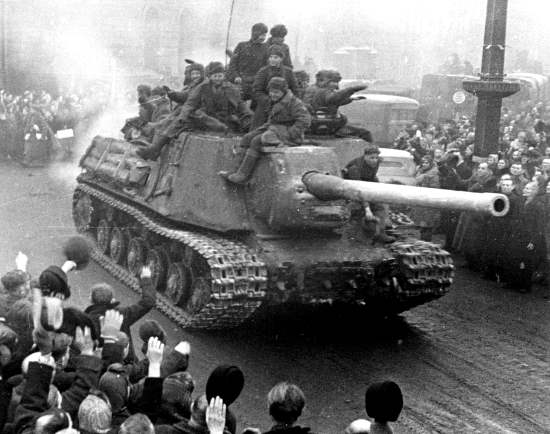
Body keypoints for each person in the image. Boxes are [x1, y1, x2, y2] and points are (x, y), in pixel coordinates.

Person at [138, 62, 252, 161]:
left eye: (220, 76)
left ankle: (155, 148)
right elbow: (190, 103)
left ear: (224, 76)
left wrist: (248, 116)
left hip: (224, 122)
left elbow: (241, 105)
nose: (218, 78)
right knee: (183, 120)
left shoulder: (230, 89)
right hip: (208, 119)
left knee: (195, 115)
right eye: (215, 76)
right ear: (210, 76)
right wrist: (183, 116)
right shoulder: (203, 87)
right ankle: (156, 148)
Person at [220, 77, 310, 184]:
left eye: (276, 92)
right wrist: (261, 129)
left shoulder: (294, 103)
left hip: (288, 134)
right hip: (275, 129)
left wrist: (291, 134)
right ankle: (234, 170)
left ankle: (243, 175)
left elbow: (305, 120)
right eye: (271, 92)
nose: (273, 94)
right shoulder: (275, 101)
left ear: (284, 91)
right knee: (247, 138)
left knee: (256, 141)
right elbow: (272, 120)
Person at [84, 266, 155, 362]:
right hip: (126, 361)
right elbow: (148, 302)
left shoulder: (86, 319)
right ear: (112, 300)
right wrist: (146, 279)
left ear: (91, 299)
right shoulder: (122, 314)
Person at [342, 143, 395, 243]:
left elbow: (372, 177)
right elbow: (358, 189)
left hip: (365, 186)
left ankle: (380, 233)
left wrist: (379, 190)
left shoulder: (377, 162)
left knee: (379, 206)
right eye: (371, 158)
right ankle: (354, 236)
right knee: (357, 209)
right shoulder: (355, 168)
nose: (374, 160)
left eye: (376, 157)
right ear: (365, 156)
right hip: (351, 190)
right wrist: (367, 209)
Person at [303, 70, 372, 143]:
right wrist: (351, 90)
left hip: (323, 125)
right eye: (334, 82)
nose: (336, 85)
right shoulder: (323, 91)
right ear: (325, 81)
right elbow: (333, 98)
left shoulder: (314, 89)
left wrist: (350, 99)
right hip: (328, 126)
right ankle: (371, 149)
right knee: (364, 133)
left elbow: (331, 102)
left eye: (337, 82)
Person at [251, 45, 298, 129]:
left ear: (281, 59)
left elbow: (295, 90)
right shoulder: (263, 71)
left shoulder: (288, 72)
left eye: (276, 57)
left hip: (285, 105)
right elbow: (256, 91)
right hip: (266, 105)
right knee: (258, 129)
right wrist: (269, 101)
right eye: (270, 57)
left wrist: (287, 101)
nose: (272, 59)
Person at [227, 23, 269, 102]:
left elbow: (266, 67)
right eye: (262, 35)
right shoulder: (241, 46)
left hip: (257, 83)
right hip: (240, 82)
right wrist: (236, 76)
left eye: (265, 35)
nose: (263, 38)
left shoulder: (265, 48)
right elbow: (233, 64)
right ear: (255, 33)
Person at [411, 155, 440, 241]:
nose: (424, 164)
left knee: (427, 226)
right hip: (421, 203)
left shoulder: (434, 174)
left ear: (431, 163)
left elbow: (435, 188)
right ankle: (423, 241)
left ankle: (426, 242)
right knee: (423, 226)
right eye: (423, 162)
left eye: (426, 163)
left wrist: (424, 180)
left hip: (428, 204)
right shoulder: (421, 171)